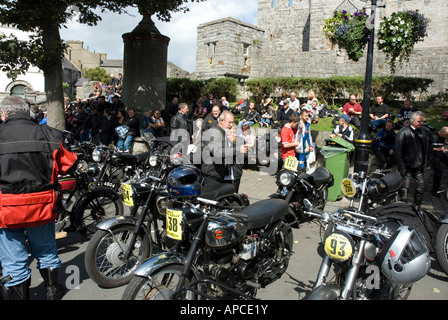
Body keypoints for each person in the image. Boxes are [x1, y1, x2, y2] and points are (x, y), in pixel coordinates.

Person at [0, 96, 77, 300]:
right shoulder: (50, 134)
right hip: (43, 204)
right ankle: (52, 291)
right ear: (29, 112)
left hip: (7, 208)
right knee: (46, 250)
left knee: (13, 259)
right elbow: (69, 164)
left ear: (4, 114)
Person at [395, 111, 432, 207]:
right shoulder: (403, 132)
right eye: (419, 121)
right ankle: (403, 207)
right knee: (404, 189)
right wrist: (402, 167)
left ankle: (417, 207)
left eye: (422, 121)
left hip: (419, 166)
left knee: (421, 187)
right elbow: (398, 151)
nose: (421, 123)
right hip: (407, 166)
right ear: (412, 121)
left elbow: (428, 148)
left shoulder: (425, 131)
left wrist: (428, 162)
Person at [202, 110, 248, 186]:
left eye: (232, 122)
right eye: (229, 122)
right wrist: (238, 149)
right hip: (212, 176)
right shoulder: (214, 132)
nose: (231, 125)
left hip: (220, 175)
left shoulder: (223, 132)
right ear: (221, 121)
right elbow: (217, 152)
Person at [431, 126, 448, 197]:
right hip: (434, 156)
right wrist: (438, 149)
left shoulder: (443, 137)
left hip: (441, 154)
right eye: (445, 134)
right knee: (438, 171)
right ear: (441, 132)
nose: (446, 136)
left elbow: (442, 146)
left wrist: (444, 150)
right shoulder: (433, 137)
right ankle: (435, 191)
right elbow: (429, 148)